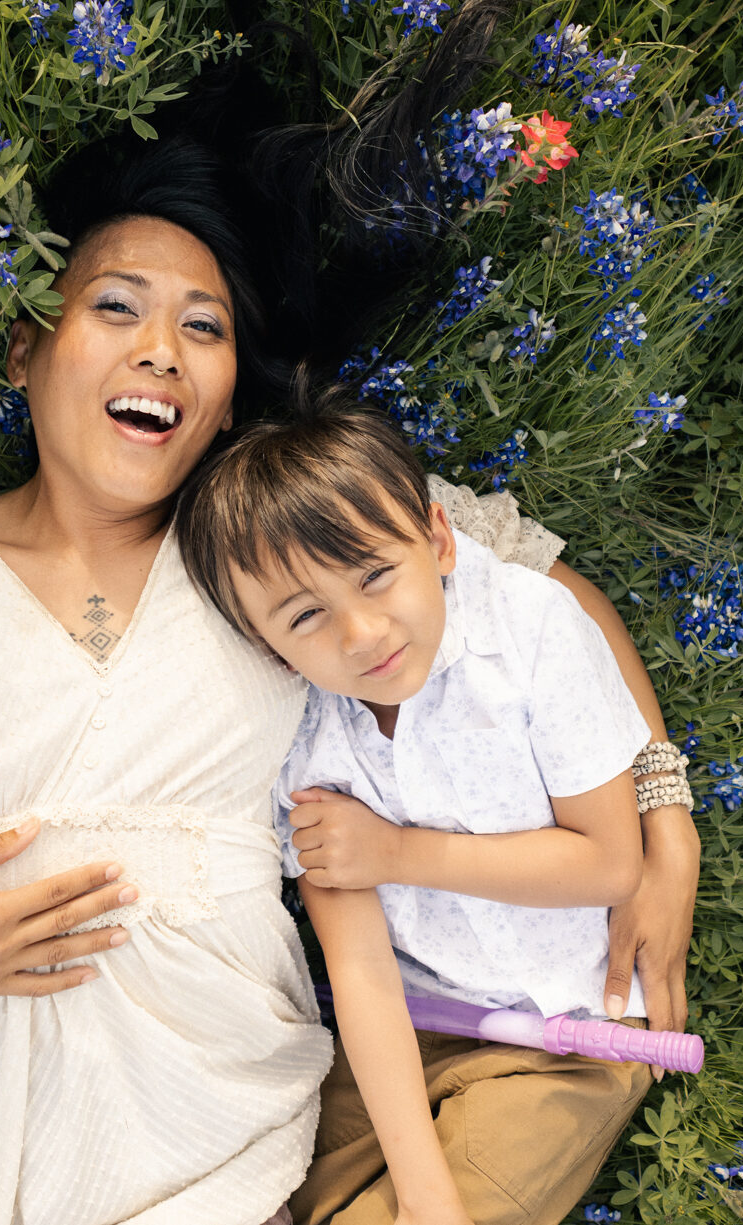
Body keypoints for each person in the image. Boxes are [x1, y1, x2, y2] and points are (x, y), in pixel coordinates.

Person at [0, 12, 697, 1224]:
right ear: (22, 351)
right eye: (116, 309)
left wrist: (659, 823)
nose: (162, 350)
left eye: (202, 328)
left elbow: (545, 593)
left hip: (207, 1120)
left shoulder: (267, 545)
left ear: (222, 393)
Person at [175, 398, 694, 1225]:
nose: (360, 631)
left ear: (439, 536)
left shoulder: (529, 630)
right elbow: (361, 976)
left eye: (375, 573)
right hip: (404, 1030)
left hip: (567, 1040)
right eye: (304, 615)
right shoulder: (303, 739)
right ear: (265, 644)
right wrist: (420, 1187)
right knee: (254, 1193)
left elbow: (605, 862)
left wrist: (393, 853)